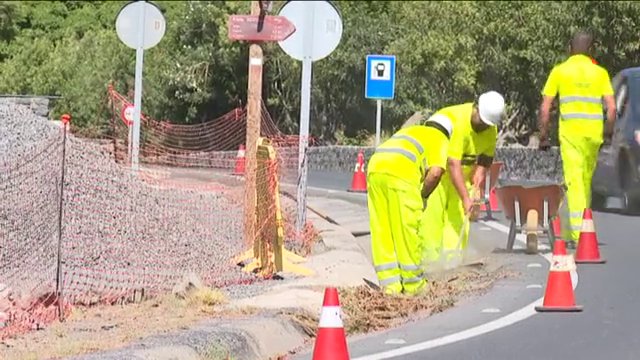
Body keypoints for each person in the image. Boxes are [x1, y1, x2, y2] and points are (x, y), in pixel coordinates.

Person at [538, 30, 616, 248]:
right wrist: (608, 134)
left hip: (571, 135)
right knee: (584, 182)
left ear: (569, 48)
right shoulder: (600, 73)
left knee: (573, 183)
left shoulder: (560, 71)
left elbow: (545, 108)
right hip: (594, 136)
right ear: (591, 49)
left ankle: (578, 235)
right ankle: (583, 227)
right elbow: (611, 109)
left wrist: (543, 136)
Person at [367, 116, 454, 296]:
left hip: (375, 168)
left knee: (383, 228)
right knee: (406, 229)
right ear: (447, 133)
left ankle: (390, 285)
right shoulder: (440, 138)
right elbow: (436, 172)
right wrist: (423, 195)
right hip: (401, 174)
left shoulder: (411, 131)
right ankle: (414, 285)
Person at [422, 91, 506, 269]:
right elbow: (453, 164)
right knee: (433, 218)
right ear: (475, 108)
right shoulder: (460, 121)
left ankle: (452, 262)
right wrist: (466, 198)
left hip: (462, 174)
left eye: (487, 124)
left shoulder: (491, 128)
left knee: (460, 217)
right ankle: (429, 263)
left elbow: (485, 159)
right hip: (439, 171)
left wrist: (478, 182)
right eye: (481, 121)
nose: (483, 126)